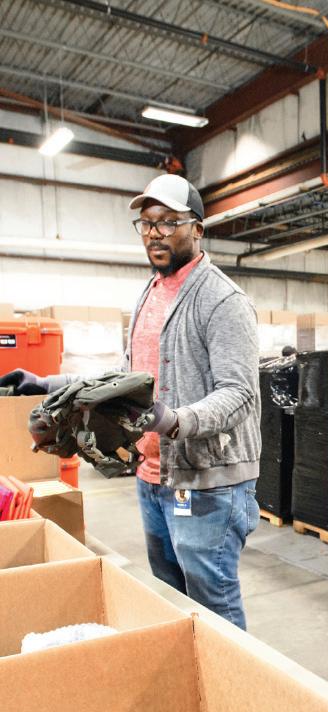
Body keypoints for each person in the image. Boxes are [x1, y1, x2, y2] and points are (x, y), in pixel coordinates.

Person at [2, 174, 262, 630]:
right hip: (152, 477)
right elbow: (124, 379)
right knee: (172, 602)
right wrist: (46, 383)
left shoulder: (223, 300)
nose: (155, 233)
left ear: (198, 229)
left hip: (205, 484)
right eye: (146, 224)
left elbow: (239, 393)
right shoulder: (151, 293)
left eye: (168, 222)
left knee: (214, 610)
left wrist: (173, 420)